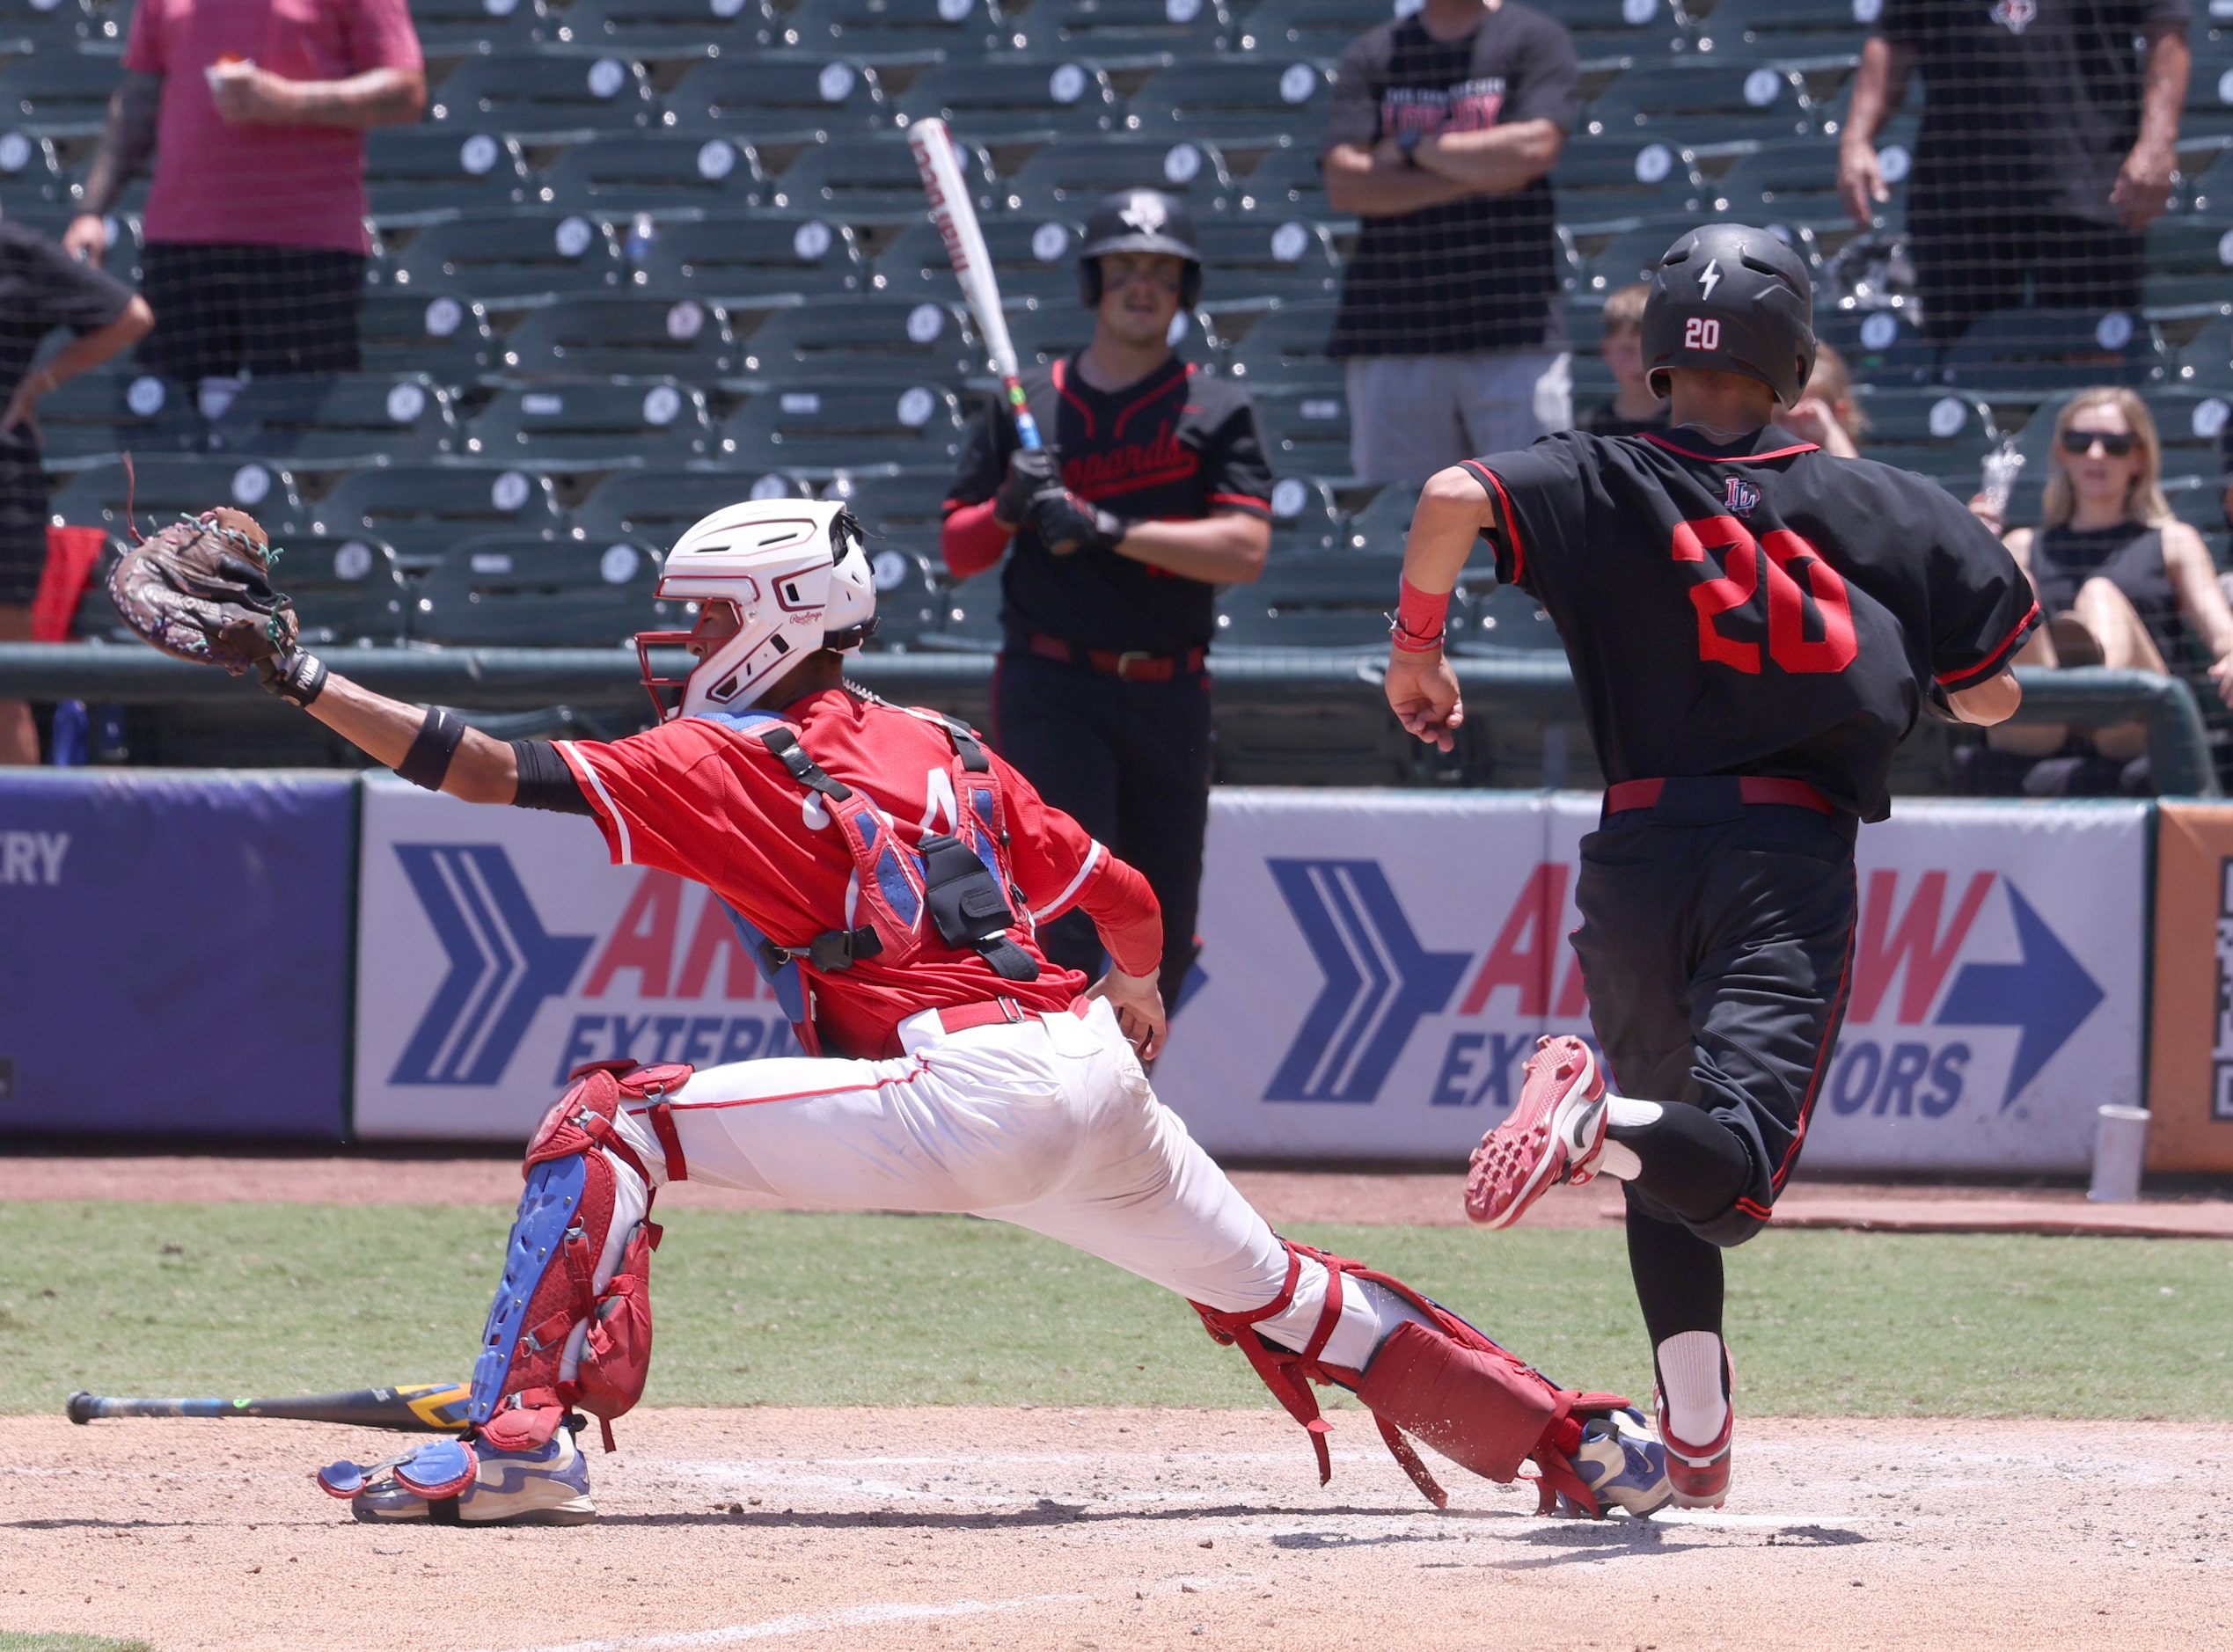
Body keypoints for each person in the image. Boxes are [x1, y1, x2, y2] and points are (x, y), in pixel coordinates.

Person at [109, 495, 1673, 1526]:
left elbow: (485, 767)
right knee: (1290, 1295)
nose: (684, 648)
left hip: (965, 1090)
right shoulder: (939, 739)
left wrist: (299, 674)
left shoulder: (728, 754)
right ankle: (1573, 1443)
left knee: (606, 1116)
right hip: (1089, 1080)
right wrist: (1135, 992)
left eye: (705, 621)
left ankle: (521, 1431)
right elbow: (1124, 892)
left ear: (777, 621)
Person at [1381, 224, 2036, 1509]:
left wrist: (1414, 651)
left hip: (1634, 851)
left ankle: (1691, 1421)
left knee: (1663, 1147)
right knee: (1724, 1167)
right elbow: (1997, 691)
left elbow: (1452, 495)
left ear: (1654, 353)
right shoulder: (1885, 501)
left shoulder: (1596, 471)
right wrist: (1916, 689)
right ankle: (1588, 1115)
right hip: (1782, 850)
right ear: (1791, 357)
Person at [941, 190, 1270, 1014]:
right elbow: (959, 550)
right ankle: (1061, 1117)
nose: (1141, 284)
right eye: (1124, 266)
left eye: (1162, 271)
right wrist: (1012, 504)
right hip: (1054, 687)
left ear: (1185, 291)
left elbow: (1244, 549)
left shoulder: (1216, 409)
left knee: (1165, 922)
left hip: (1169, 688)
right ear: (1095, 281)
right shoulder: (1033, 410)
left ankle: (1119, 1108)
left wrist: (1101, 526)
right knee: (1064, 918)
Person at [66, 0, 425, 387]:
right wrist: (92, 210)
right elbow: (140, 98)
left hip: (305, 250)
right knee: (168, 431)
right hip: (181, 247)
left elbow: (407, 91)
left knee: (295, 428)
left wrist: (291, 102)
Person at [1321, 0, 1578, 482]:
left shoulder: (1532, 39)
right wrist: (1484, 173)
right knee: (1404, 530)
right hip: (1394, 336)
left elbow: (1533, 149)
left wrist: (1413, 146)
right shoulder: (1371, 54)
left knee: (1535, 522)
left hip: (1515, 329)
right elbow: (1346, 183)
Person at [1837, 0, 2188, 346]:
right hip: (1960, 195)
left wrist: (2157, 143)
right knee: (1966, 366)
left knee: (2091, 363)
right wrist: (1856, 139)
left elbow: (2166, 26)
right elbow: (1892, 39)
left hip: (2091, 188)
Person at [1986, 388, 2233, 778]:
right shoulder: (2023, 546)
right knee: (2017, 590)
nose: (2096, 455)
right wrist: (1971, 542)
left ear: (2140, 458)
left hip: (2130, 727)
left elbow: (2221, 632)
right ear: (2062, 454)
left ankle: (2092, 686)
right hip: (2036, 726)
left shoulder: (2173, 541)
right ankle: (2073, 687)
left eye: (2115, 445)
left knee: (2100, 595)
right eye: (2080, 442)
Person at [0, 223, 153, 764]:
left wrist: (40, 381)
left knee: (3, 685)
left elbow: (131, 315)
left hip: (5, 491)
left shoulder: (17, 251)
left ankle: (13, 835)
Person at [1575, 282, 1668, 440]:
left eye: (1649, 350)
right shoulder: (1588, 430)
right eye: (1628, 350)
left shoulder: (1689, 425)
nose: (1640, 363)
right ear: (1607, 351)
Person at [1777, 341, 1863, 460]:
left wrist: (1830, 433)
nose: (1798, 427)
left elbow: (1854, 476)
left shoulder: (1840, 452)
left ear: (1838, 413)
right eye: (1784, 418)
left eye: (1810, 416)